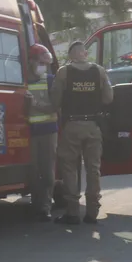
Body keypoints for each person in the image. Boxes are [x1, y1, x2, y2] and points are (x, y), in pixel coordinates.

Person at [50, 41, 114, 225]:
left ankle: (72, 212)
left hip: (72, 126)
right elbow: (109, 98)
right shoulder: (99, 71)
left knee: (69, 167)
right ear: (85, 54)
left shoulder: (64, 72)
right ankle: (92, 212)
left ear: (71, 55)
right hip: (93, 126)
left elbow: (55, 101)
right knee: (93, 169)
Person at [24, 43, 58, 222]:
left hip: (47, 131)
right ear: (30, 62)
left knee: (47, 172)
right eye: (40, 62)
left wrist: (34, 104)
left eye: (45, 63)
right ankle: (36, 205)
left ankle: (45, 207)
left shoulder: (51, 80)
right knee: (32, 171)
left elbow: (54, 107)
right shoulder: (21, 81)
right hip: (29, 132)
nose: (43, 67)